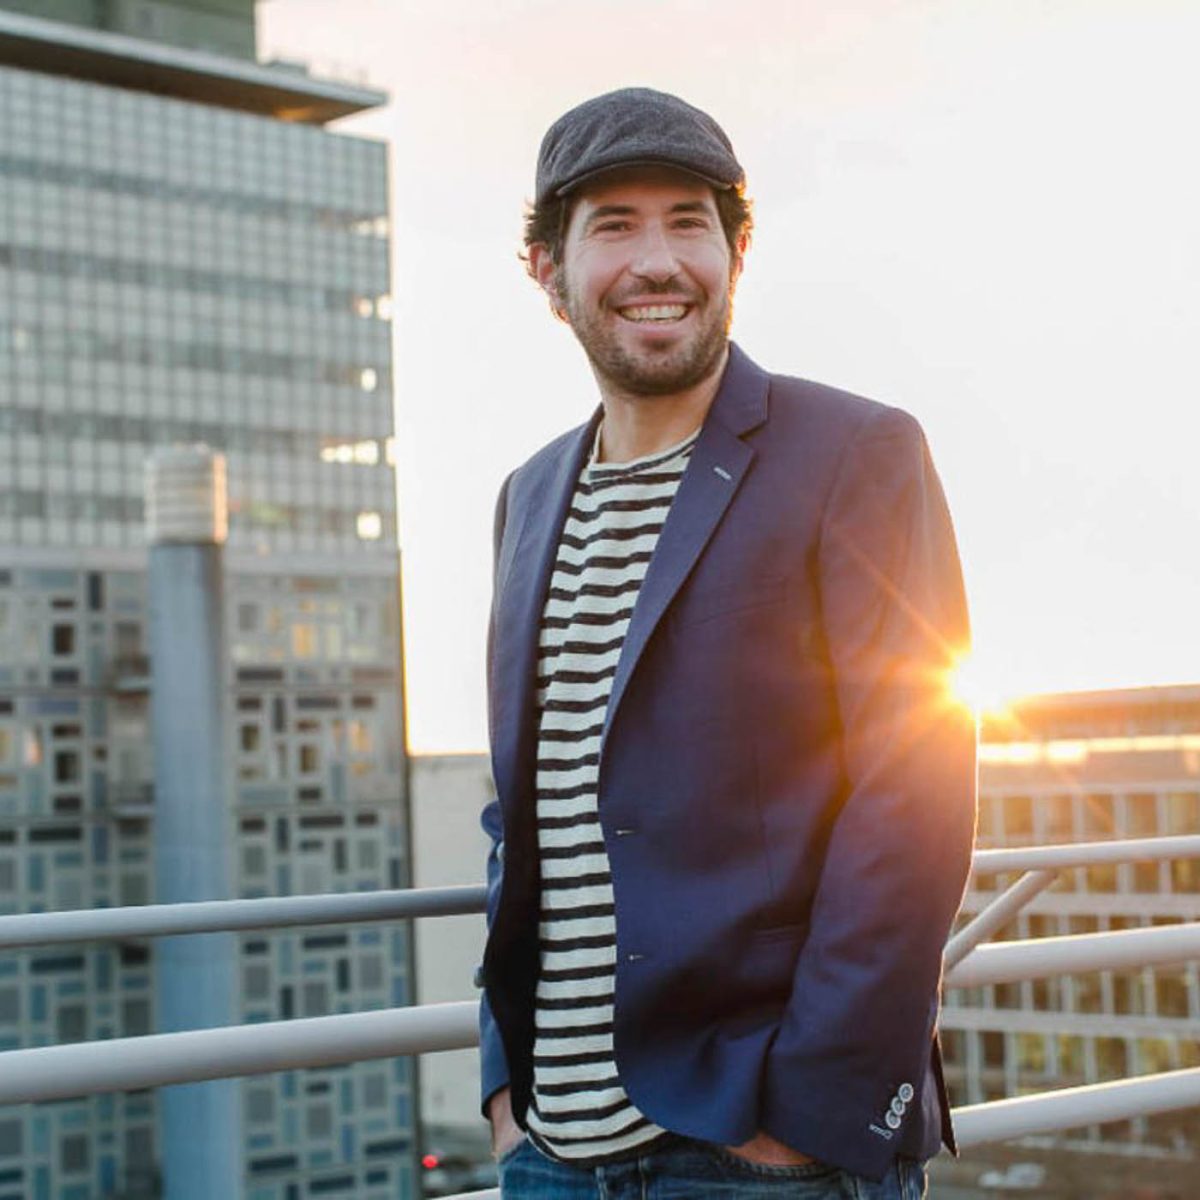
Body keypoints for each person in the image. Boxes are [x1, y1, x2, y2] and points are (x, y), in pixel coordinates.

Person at [476, 86, 977, 1199]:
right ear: (548, 270)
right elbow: (521, 809)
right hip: (551, 1153)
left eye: (688, 222)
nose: (658, 261)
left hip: (755, 1154)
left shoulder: (855, 451)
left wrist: (803, 1120)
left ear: (736, 252)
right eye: (614, 226)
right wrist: (505, 1087)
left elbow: (917, 791)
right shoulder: (527, 496)